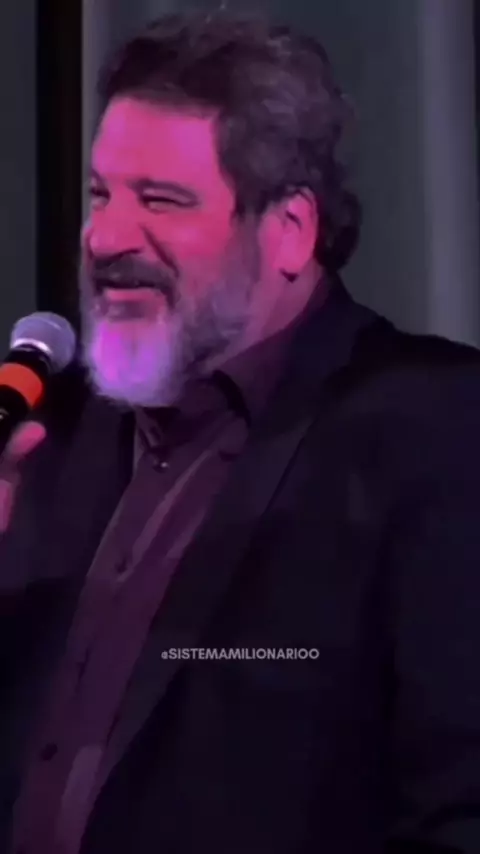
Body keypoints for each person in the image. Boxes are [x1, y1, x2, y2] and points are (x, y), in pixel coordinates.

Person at [1, 10, 480, 854]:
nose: (105, 237)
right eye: (101, 193)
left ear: (289, 230)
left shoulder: (434, 429)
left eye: (160, 200)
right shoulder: (51, 434)